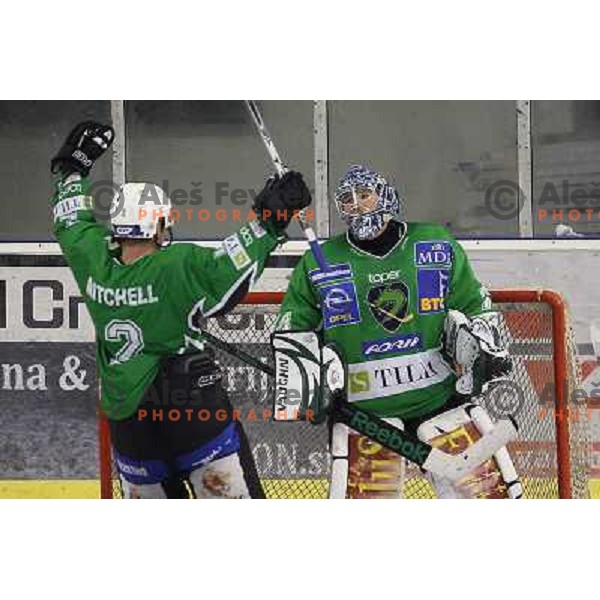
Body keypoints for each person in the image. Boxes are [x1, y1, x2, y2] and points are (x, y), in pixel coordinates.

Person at [50, 121, 311, 498]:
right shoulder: (176, 263)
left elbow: (69, 220)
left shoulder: (91, 260)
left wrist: (72, 170)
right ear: (156, 225)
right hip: (191, 416)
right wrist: (270, 221)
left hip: (132, 434)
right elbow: (229, 271)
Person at [275, 164, 519, 499]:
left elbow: (476, 305)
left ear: (386, 195)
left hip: (442, 402)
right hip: (365, 416)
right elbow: (292, 325)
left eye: (365, 194)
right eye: (348, 199)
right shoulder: (320, 261)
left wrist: (486, 345)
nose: (358, 205)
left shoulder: (433, 241)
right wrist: (304, 376)